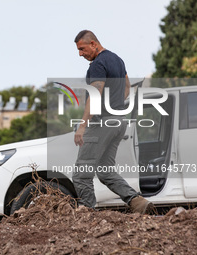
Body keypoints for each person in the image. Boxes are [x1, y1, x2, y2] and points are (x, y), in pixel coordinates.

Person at [72, 29, 153, 214]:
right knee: (105, 171)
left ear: (93, 44)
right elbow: (126, 88)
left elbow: (94, 94)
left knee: (81, 174)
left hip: (102, 123)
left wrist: (83, 126)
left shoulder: (98, 64)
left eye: (82, 49)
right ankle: (137, 202)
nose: (80, 54)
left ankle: (87, 215)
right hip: (118, 122)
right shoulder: (117, 59)